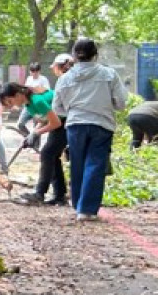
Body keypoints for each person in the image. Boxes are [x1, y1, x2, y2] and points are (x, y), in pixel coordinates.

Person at [51, 38, 127, 221]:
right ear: (96, 54)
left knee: (77, 164)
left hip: (75, 125)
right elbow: (121, 103)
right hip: (102, 124)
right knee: (95, 163)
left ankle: (78, 205)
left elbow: (57, 108)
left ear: (74, 56)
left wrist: (72, 111)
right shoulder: (109, 74)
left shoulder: (65, 78)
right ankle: (87, 209)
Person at [0, 81, 63, 206]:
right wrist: (32, 133)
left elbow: (56, 122)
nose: (11, 107)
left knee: (47, 154)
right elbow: (45, 119)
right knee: (51, 156)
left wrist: (36, 133)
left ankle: (39, 194)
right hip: (60, 121)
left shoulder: (36, 100)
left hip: (66, 121)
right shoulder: (29, 105)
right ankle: (59, 195)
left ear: (18, 95)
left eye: (10, 102)